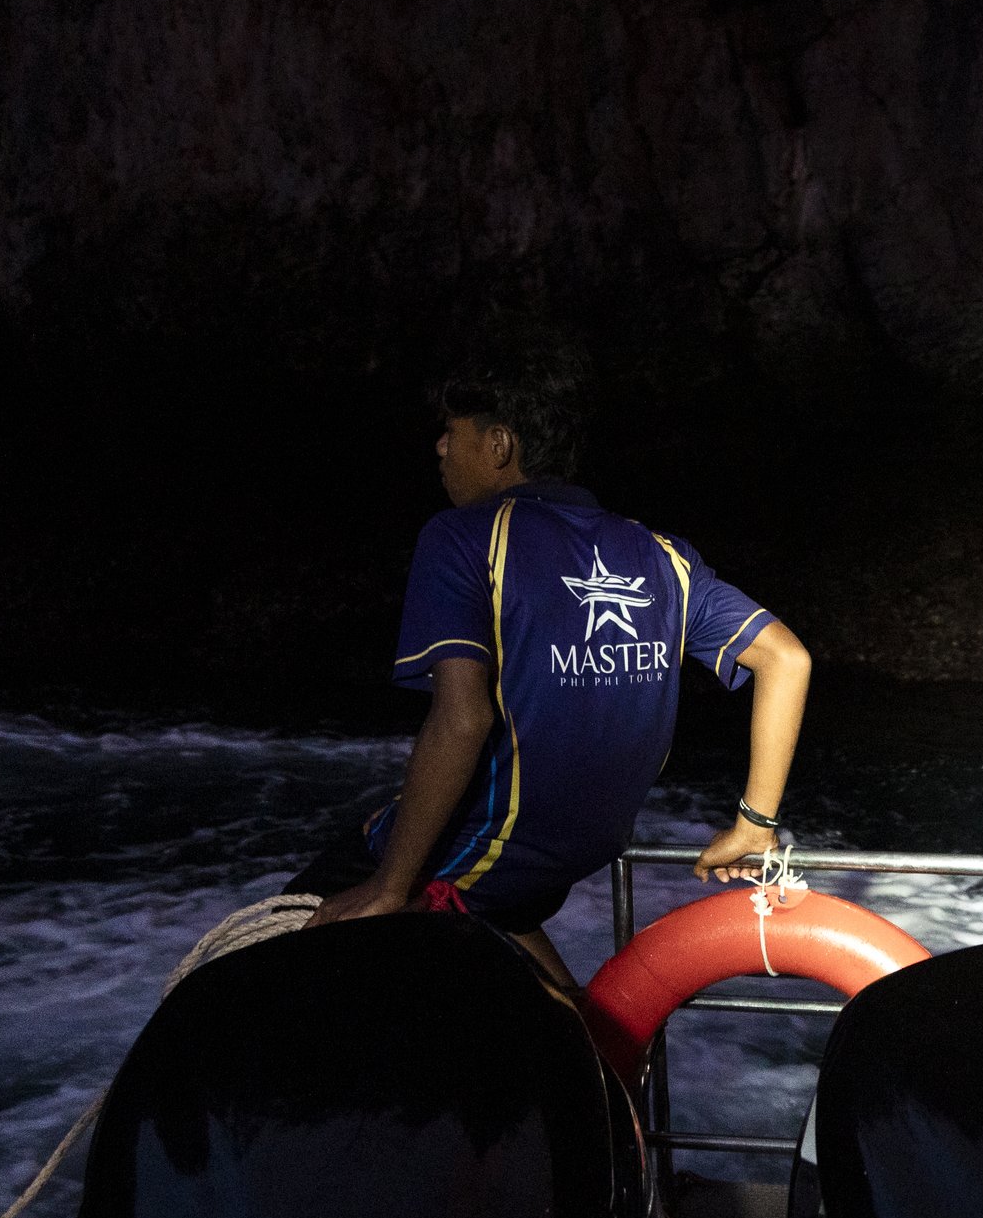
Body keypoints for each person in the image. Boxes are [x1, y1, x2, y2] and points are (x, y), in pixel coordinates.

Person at [295, 349, 811, 987]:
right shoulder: (662, 553)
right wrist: (754, 825)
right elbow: (787, 658)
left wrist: (388, 887)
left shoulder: (461, 537)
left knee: (270, 948)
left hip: (481, 859)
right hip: (574, 855)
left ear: (499, 444)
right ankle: (586, 1037)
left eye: (452, 434)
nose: (439, 449)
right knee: (496, 902)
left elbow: (462, 717)